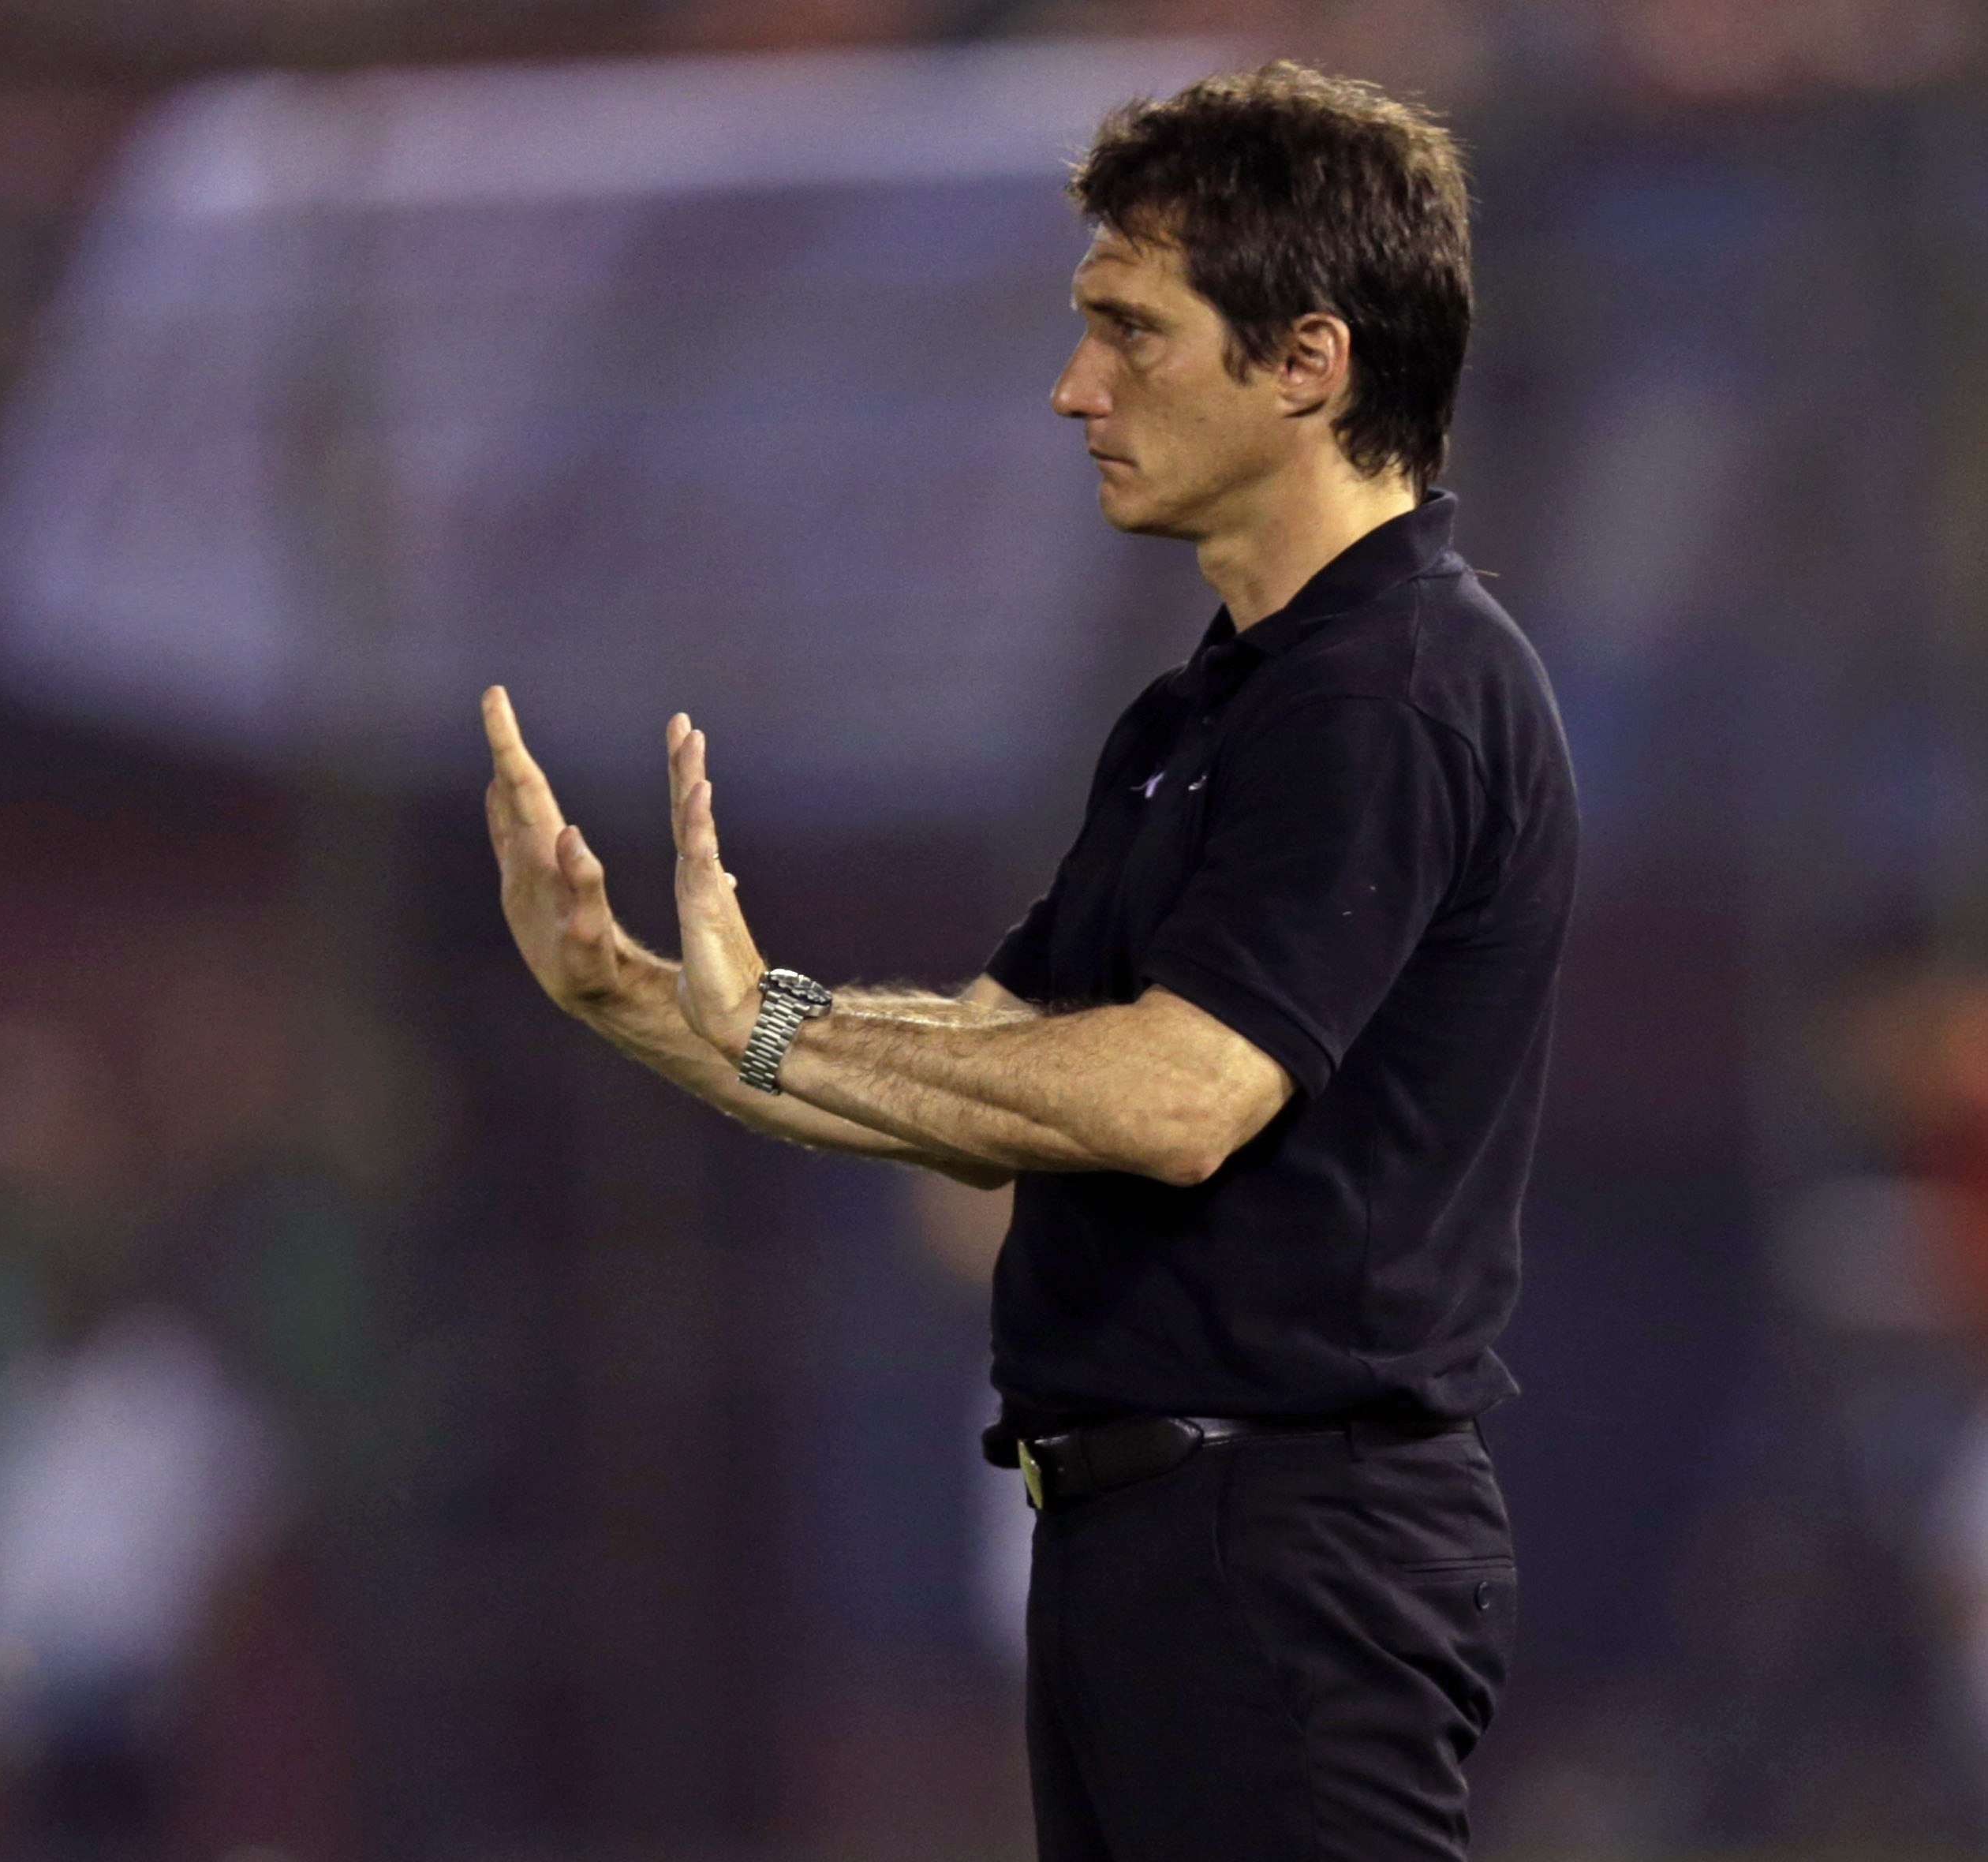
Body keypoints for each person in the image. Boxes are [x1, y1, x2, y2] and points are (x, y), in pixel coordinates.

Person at [481, 62, 1575, 1861]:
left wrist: (775, 1024)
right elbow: (981, 1079)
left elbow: (1177, 1096)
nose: (1077, 388)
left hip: (1288, 1546)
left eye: (1132, 332)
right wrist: (636, 996)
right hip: (1148, 1544)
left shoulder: (1391, 695)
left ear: (1309, 362)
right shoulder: (1202, 712)